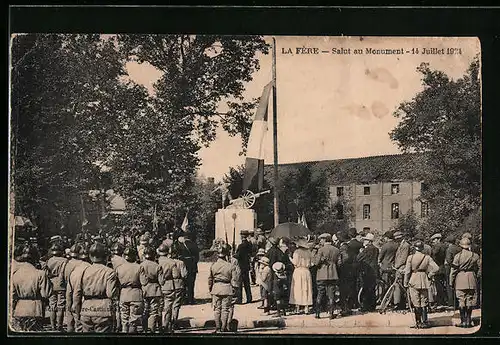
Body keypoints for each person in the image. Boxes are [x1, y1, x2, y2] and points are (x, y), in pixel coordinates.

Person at [73, 242, 119, 333]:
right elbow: (111, 294)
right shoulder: (109, 272)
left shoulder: (84, 271)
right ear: (105, 256)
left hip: (86, 310)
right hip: (103, 310)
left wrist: (78, 313)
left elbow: (77, 294)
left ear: (90, 256)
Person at [11, 245, 53, 332]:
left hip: (20, 309)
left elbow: (12, 294)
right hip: (36, 309)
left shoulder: (15, 274)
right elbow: (46, 294)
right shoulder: (40, 274)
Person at [403, 240, 439, 329]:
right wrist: (430, 275)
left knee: (416, 302)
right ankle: (425, 322)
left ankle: (418, 322)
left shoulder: (410, 257)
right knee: (424, 302)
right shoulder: (427, 257)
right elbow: (436, 268)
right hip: (424, 279)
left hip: (414, 279)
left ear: (414, 248)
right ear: (422, 248)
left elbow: (407, 271)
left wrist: (406, 282)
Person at [208, 244, 240, 333]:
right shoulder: (231, 266)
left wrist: (210, 289)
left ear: (218, 255)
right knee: (225, 309)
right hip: (227, 288)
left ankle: (218, 328)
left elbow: (210, 279)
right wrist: (235, 290)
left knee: (217, 309)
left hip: (216, 288)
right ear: (226, 255)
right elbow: (234, 280)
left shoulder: (213, 265)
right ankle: (223, 327)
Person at [450, 237, 480, 328]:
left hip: (460, 278)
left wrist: (451, 281)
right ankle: (468, 321)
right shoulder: (475, 256)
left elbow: (453, 270)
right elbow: (480, 269)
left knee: (461, 300)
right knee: (470, 300)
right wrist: (476, 277)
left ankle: (463, 321)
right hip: (471, 278)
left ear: (461, 246)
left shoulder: (458, 256)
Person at [158, 244, 187, 333]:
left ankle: (161, 324)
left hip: (161, 285)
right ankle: (172, 323)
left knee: (161, 306)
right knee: (174, 305)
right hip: (174, 285)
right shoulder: (175, 262)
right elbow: (181, 275)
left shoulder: (157, 261)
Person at [115, 247, 143, 333]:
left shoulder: (119, 268)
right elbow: (143, 282)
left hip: (123, 294)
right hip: (136, 293)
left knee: (124, 319)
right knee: (134, 320)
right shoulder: (139, 267)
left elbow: (116, 284)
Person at [313, 233, 340, 319]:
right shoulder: (336, 250)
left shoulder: (321, 250)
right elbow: (339, 263)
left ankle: (317, 314)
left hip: (321, 274)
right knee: (331, 294)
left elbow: (316, 263)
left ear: (325, 240)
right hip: (333, 274)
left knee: (320, 293)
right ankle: (331, 314)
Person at [66, 245, 91, 333]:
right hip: (84, 299)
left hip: (71, 294)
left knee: (72, 319)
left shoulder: (68, 264)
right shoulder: (89, 268)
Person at [139, 247, 162, 333]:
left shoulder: (141, 265)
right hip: (155, 290)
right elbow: (161, 281)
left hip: (144, 290)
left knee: (145, 310)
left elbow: (142, 280)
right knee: (153, 312)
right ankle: (151, 330)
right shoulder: (157, 266)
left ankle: (145, 329)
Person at [46, 243, 68, 332]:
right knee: (60, 306)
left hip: (51, 284)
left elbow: (46, 273)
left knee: (52, 305)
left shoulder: (49, 260)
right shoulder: (65, 260)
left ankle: (52, 326)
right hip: (61, 284)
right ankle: (59, 325)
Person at [289, 238, 313, 315]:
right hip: (306, 271)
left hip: (298, 271)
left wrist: (290, 257)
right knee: (306, 288)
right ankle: (306, 307)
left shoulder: (297, 252)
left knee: (298, 288)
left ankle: (297, 307)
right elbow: (312, 263)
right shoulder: (309, 252)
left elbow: (295, 262)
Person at [357, 233, 379, 312]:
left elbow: (358, 258)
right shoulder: (376, 249)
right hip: (374, 271)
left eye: (365, 240)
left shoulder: (367, 249)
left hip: (367, 271)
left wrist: (361, 251)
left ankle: (366, 306)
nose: (364, 241)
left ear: (369, 241)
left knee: (366, 289)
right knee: (372, 289)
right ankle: (372, 306)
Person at [178, 232, 199, 305]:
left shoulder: (181, 245)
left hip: (184, 265)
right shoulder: (194, 245)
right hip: (192, 266)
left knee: (183, 283)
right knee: (191, 284)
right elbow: (197, 257)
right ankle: (191, 299)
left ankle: (184, 299)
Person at [393, 231, 411, 310]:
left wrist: (396, 266)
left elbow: (403, 258)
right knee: (399, 285)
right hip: (399, 267)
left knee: (400, 285)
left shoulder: (405, 245)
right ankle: (400, 304)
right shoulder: (401, 245)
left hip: (401, 267)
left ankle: (400, 304)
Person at [430, 233, 448, 307]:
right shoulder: (445, 246)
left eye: (434, 240)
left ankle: (440, 302)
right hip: (443, 267)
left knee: (438, 286)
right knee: (443, 285)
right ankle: (444, 300)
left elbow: (434, 256)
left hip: (437, 268)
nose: (433, 241)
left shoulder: (437, 247)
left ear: (438, 239)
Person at [235, 230, 253, 304]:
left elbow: (238, 256)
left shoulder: (241, 246)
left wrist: (233, 254)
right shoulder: (249, 244)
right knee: (247, 283)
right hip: (247, 264)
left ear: (242, 236)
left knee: (239, 283)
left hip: (241, 265)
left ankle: (239, 299)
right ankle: (249, 298)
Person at [445, 234, 462, 308]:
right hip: (459, 268)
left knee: (450, 285)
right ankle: (458, 302)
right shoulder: (459, 248)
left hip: (450, 268)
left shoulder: (449, 249)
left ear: (448, 242)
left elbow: (449, 260)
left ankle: (451, 303)